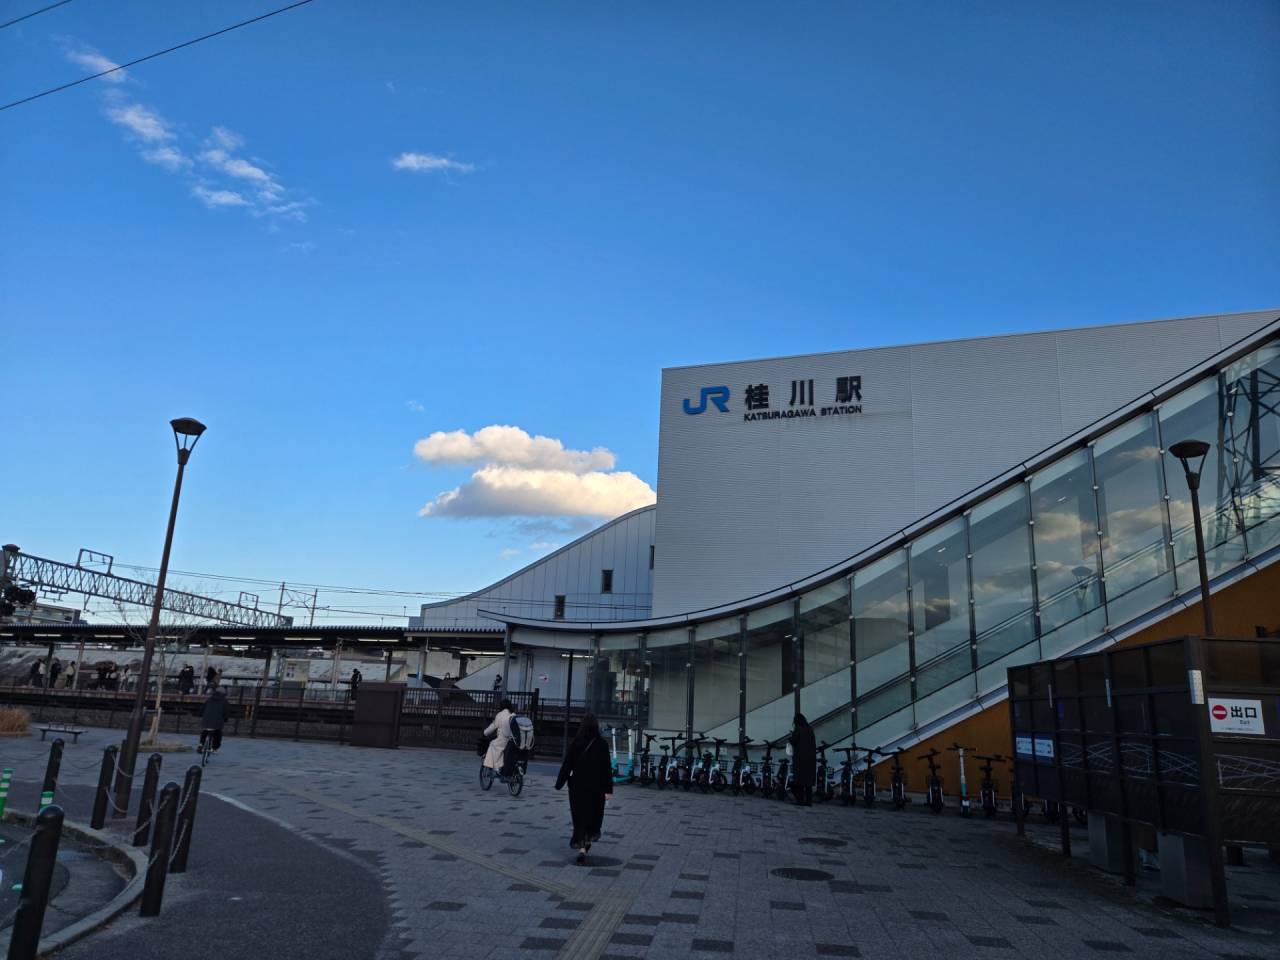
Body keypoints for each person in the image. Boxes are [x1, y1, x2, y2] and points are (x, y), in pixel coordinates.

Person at [554, 714, 613, 861]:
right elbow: (607, 768)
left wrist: (559, 783)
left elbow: (567, 764)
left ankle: (581, 845)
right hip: (596, 787)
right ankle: (586, 842)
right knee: (593, 815)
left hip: (577, 787)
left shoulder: (577, 743)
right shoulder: (602, 744)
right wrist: (608, 789)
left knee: (579, 817)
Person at [482, 699, 516, 776]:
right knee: (502, 750)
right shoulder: (513, 714)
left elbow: (493, 727)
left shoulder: (500, 715)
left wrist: (485, 733)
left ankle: (496, 768)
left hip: (503, 739)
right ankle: (501, 766)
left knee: (492, 745)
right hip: (512, 740)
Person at [789, 713, 817, 806]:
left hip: (800, 759)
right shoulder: (809, 729)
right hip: (810, 759)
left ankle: (800, 800)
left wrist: (791, 735)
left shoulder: (798, 729)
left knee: (799, 781)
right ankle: (809, 801)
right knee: (808, 782)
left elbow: (793, 741)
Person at [200, 687, 228, 754]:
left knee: (205, 730)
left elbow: (202, 709)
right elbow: (226, 712)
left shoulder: (209, 699)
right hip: (217, 721)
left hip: (206, 719)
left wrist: (202, 715)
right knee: (218, 733)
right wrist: (225, 719)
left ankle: (201, 744)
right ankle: (214, 747)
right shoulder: (224, 701)